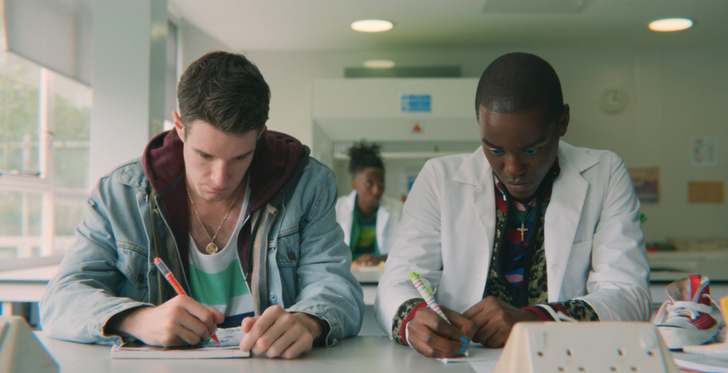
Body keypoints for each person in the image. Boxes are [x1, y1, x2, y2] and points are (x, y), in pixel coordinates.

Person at [40, 51, 364, 359]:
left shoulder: (307, 185)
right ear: (179, 127)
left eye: (240, 157)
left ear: (260, 135)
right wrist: (136, 320)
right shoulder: (120, 194)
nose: (220, 178)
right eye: (204, 155)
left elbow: (339, 289)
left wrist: (308, 321)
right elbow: (61, 299)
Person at [374, 52, 651, 358]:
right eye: (493, 149)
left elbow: (629, 295)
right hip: (465, 359)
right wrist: (413, 319)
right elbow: (398, 281)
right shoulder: (439, 179)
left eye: (531, 150)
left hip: (564, 359)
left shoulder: (605, 173)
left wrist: (537, 320)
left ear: (563, 122)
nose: (512, 169)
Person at [335, 141, 402, 267]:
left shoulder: (398, 209)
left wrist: (380, 259)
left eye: (381, 183)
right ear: (354, 184)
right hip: (346, 275)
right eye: (369, 184)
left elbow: (405, 252)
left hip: (383, 277)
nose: (377, 190)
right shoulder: (336, 209)